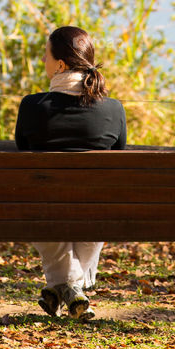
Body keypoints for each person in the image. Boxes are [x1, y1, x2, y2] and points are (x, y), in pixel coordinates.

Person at [14, 25, 127, 322]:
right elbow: (119, 156)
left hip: (41, 213)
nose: (42, 61)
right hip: (97, 215)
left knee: (43, 207)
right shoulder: (114, 110)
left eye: (46, 55)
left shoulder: (31, 107)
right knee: (94, 206)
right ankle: (72, 289)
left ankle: (63, 288)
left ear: (60, 65)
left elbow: (22, 149)